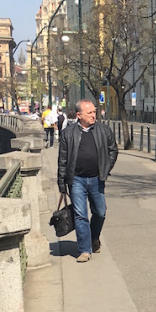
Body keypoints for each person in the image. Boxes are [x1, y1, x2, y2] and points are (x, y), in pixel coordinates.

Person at [57, 99, 118, 263]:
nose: (93, 115)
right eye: (89, 112)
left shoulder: (104, 130)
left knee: (100, 212)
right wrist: (61, 183)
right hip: (76, 180)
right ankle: (85, 250)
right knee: (80, 215)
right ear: (79, 115)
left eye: (94, 112)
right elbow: (62, 160)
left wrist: (106, 168)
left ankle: (93, 237)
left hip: (97, 178)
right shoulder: (68, 133)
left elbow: (113, 150)